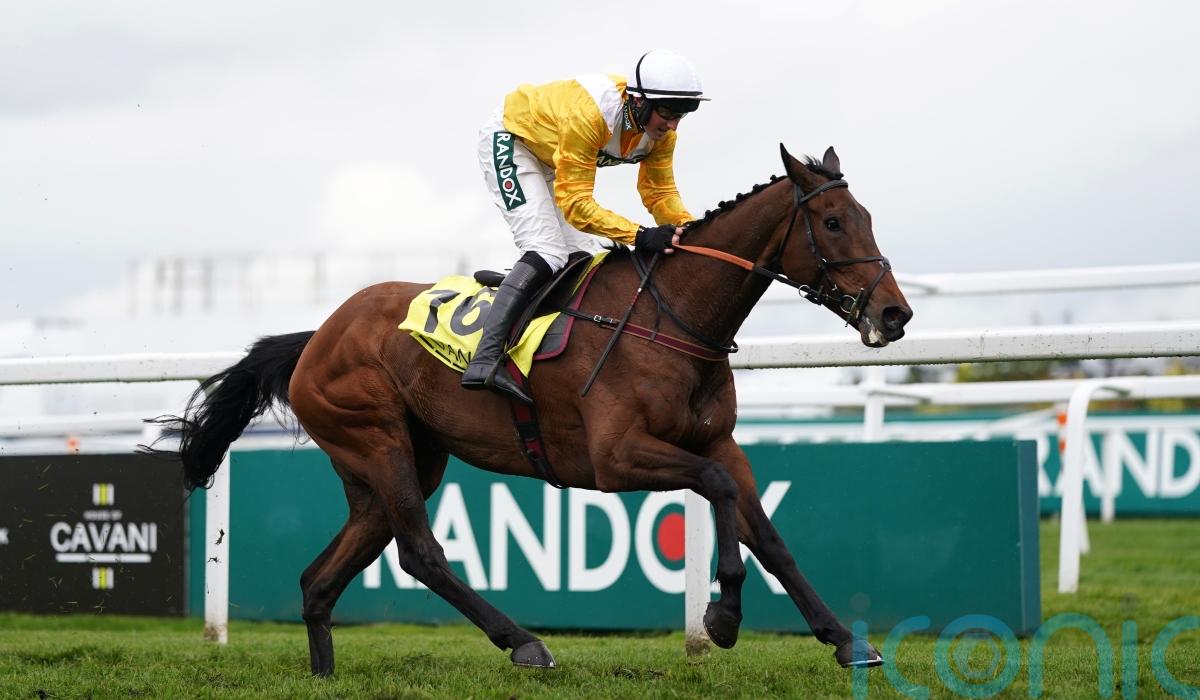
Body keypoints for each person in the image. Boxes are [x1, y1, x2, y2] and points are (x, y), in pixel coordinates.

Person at [463, 49, 708, 403]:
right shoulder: (591, 114)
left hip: (553, 157)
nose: (672, 126)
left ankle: (524, 296)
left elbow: (659, 193)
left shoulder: (662, 135)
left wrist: (692, 231)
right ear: (638, 101)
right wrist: (641, 236)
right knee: (547, 251)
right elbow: (576, 204)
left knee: (588, 256)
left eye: (681, 115)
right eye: (668, 113)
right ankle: (484, 359)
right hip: (512, 140)